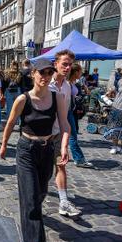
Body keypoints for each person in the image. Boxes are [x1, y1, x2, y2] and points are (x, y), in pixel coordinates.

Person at [0, 58, 69, 242]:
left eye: (49, 73)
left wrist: (63, 147)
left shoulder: (58, 98)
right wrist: (4, 145)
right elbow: (11, 123)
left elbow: (64, 125)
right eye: (42, 73)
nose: (46, 77)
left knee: (40, 192)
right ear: (33, 74)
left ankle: (32, 214)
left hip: (47, 150)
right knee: (30, 197)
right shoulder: (23, 99)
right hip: (26, 150)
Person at [49, 49, 81, 217]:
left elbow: (64, 118)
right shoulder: (47, 83)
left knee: (61, 166)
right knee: (42, 172)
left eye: (70, 65)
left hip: (58, 133)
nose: (68, 67)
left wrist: (64, 143)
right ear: (56, 64)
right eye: (64, 64)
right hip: (42, 135)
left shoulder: (68, 86)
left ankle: (63, 201)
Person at [67, 64, 94, 168]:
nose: (81, 73)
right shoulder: (68, 83)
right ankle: (79, 159)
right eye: (80, 71)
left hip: (71, 111)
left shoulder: (74, 82)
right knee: (72, 136)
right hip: (67, 112)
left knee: (71, 135)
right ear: (75, 72)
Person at [104, 66, 122, 156]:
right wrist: (110, 92)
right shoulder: (120, 81)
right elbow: (115, 90)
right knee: (114, 127)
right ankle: (114, 146)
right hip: (116, 107)